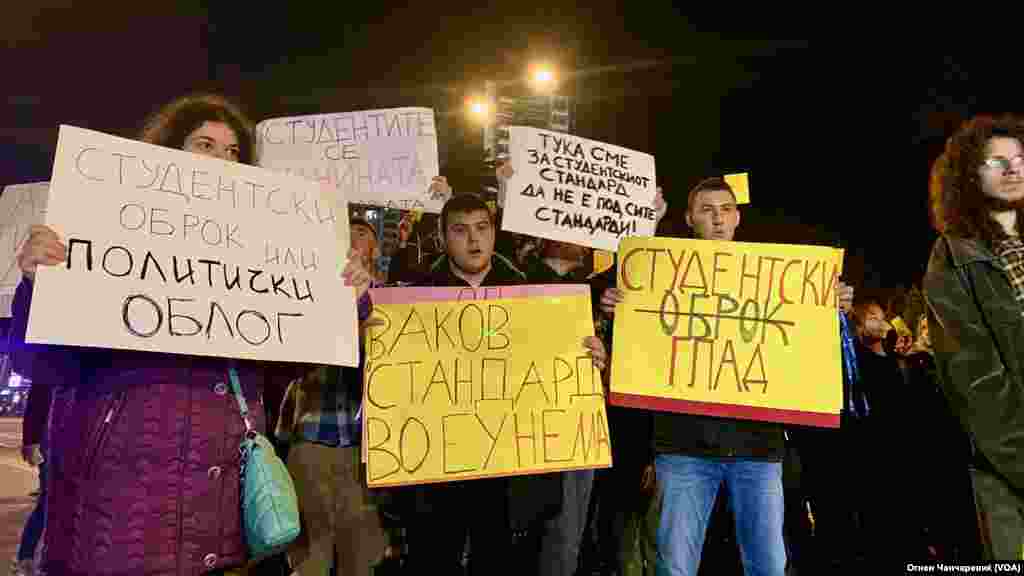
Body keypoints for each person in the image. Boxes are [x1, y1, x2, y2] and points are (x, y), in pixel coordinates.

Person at [9, 93, 372, 576]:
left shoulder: (256, 258)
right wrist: (40, 287)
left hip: (217, 528)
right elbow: (41, 365)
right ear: (166, 156)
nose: (221, 161)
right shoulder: (103, 235)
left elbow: (287, 368)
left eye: (234, 153)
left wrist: (341, 300)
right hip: (117, 527)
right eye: (205, 145)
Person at [601, 177, 853, 576]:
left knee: (768, 565)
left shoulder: (778, 281)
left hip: (758, 449)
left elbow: (806, 348)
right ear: (689, 219)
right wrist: (620, 307)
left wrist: (830, 308)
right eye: (706, 210)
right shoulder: (658, 275)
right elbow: (634, 351)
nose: (717, 218)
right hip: (682, 447)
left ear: (737, 217)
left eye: (725, 209)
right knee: (675, 566)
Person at [397, 192, 607, 575]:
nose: (473, 240)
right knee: (435, 558)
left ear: (494, 233)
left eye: (482, 228)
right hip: (438, 467)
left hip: (507, 472)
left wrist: (590, 357)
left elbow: (555, 365)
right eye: (460, 231)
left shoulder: (530, 291)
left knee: (499, 561)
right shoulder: (413, 296)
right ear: (444, 239)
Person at [924, 114, 1024, 560]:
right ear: (968, 174)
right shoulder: (952, 256)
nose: (1013, 169)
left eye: (1020, 159)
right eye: (996, 162)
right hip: (1009, 466)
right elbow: (974, 378)